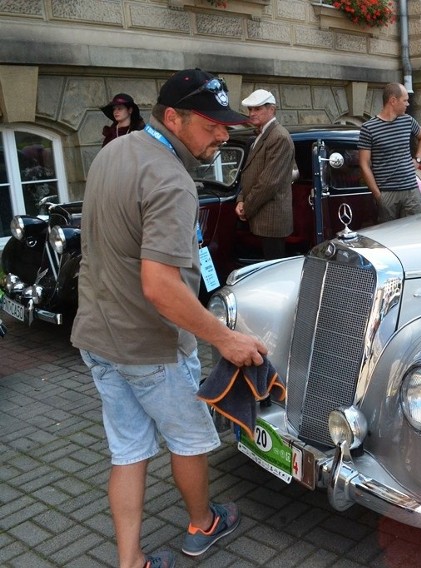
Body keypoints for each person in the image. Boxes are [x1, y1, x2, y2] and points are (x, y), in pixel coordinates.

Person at [71, 68, 268, 568]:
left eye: (226, 124)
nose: (223, 135)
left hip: (98, 337)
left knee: (128, 450)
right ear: (173, 118)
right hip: (151, 347)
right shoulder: (171, 179)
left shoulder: (114, 151)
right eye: (211, 125)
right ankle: (202, 524)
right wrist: (224, 338)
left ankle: (129, 560)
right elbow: (159, 286)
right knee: (189, 439)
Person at [235, 89, 294, 260]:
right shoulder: (259, 135)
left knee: (272, 270)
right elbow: (249, 172)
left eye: (257, 109)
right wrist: (240, 199)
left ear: (272, 109)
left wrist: (246, 206)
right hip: (259, 216)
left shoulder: (279, 137)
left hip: (271, 220)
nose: (252, 113)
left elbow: (269, 182)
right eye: (250, 109)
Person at [359, 83, 421, 223]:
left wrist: (418, 159)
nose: (408, 104)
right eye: (405, 100)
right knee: (389, 238)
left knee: (415, 233)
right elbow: (364, 164)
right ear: (393, 100)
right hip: (387, 193)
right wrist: (378, 196)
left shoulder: (407, 121)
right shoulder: (369, 128)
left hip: (411, 191)